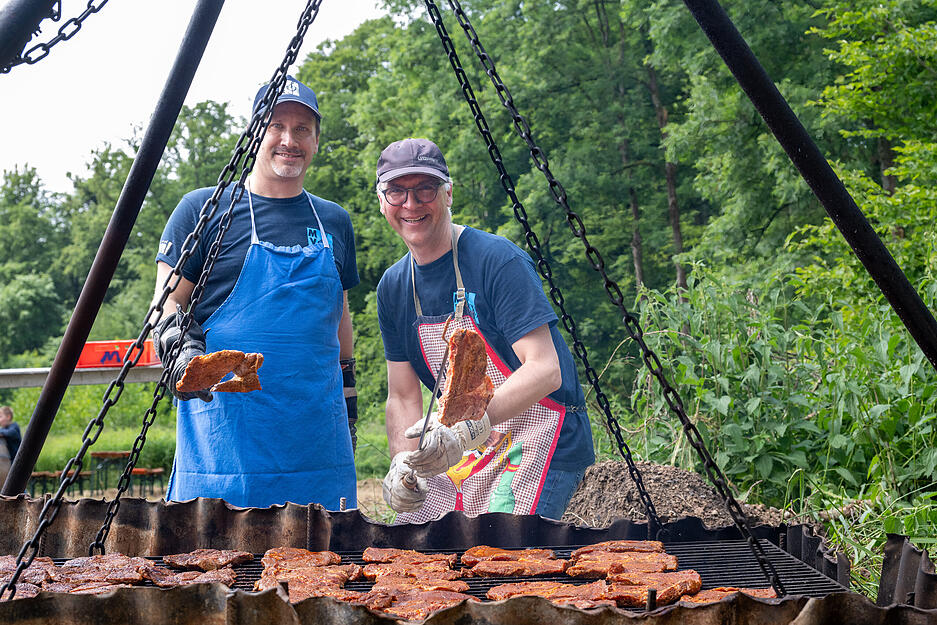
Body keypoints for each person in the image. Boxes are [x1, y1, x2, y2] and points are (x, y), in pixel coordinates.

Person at [151, 76, 358, 510]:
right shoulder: (204, 209)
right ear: (253, 134)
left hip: (317, 446)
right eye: (275, 125)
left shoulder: (334, 221)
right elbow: (166, 303)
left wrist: (350, 400)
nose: (289, 140)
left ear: (316, 140)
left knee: (326, 554)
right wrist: (181, 355)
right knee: (215, 553)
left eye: (302, 129)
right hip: (225, 448)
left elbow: (339, 318)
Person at [376, 138, 594, 522]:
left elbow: (545, 369)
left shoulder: (497, 260)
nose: (411, 204)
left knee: (506, 552)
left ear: (448, 193)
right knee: (414, 546)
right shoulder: (393, 288)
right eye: (397, 191)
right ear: (382, 201)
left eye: (425, 189)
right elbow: (403, 395)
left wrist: (467, 429)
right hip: (464, 447)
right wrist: (404, 464)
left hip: (541, 436)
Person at [0, 406, 21, 489]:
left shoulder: (14, 427)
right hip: (11, 459)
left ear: (8, 417)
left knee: (17, 483)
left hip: (18, 460)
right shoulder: (5, 428)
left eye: (0, 417)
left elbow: (10, 433)